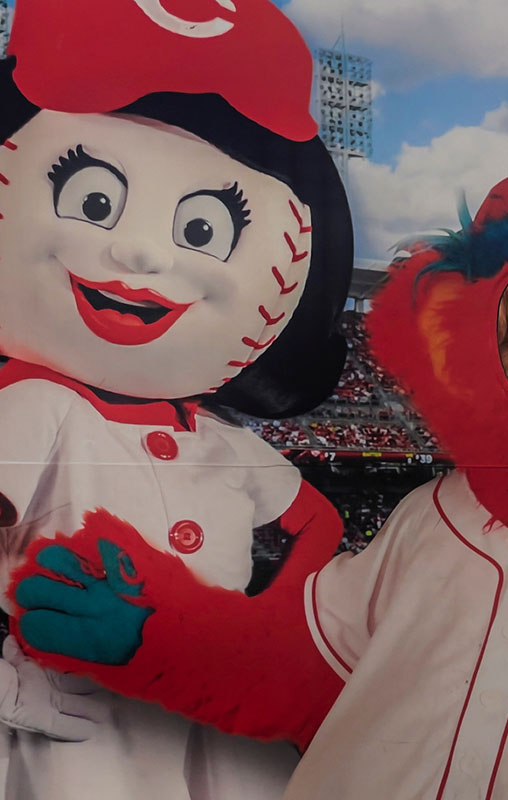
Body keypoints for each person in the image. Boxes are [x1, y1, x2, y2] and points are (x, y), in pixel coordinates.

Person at [0, 0, 353, 796]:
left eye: (203, 229)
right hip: (78, 725)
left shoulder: (219, 440)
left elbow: (316, 521)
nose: (137, 249)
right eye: (94, 201)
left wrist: (267, 636)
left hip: (221, 723)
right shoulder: (33, 409)